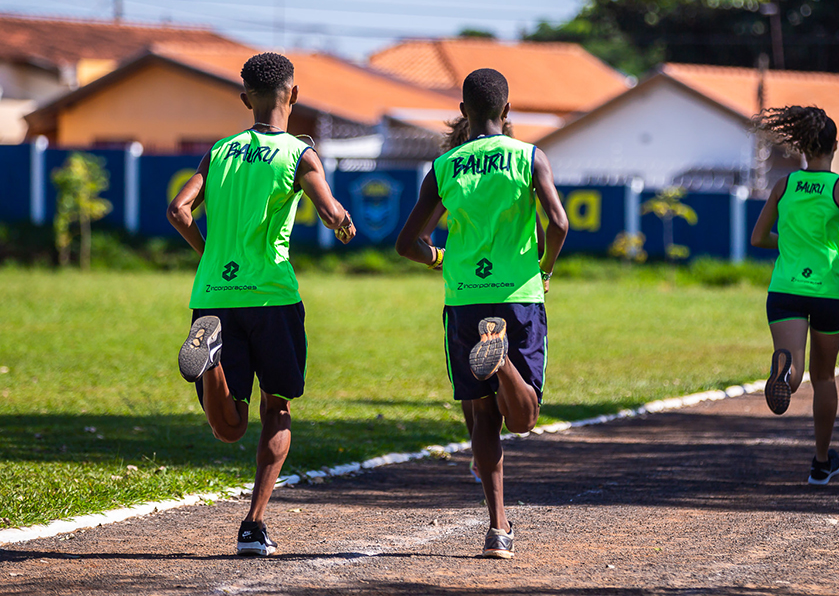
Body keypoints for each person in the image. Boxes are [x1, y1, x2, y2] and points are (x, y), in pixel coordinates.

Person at [167, 52, 356, 556]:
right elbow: (330, 208)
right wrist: (341, 221)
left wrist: (210, 257)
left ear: (245, 98)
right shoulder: (299, 154)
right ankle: (253, 525)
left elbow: (179, 209)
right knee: (278, 406)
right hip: (271, 296)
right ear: (292, 95)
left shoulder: (220, 150)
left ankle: (210, 365)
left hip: (213, 296)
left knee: (229, 427)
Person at [395, 68, 568, 558]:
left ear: (463, 112)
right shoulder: (529, 158)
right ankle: (505, 361)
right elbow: (559, 222)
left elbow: (408, 243)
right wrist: (545, 267)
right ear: (507, 112)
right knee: (523, 418)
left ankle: (498, 530)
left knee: (483, 421)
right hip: (518, 295)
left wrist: (442, 258)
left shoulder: (445, 165)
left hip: (465, 299)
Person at [750, 105, 839, 485]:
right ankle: (821, 462)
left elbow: (758, 237)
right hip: (827, 292)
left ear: (802, 145)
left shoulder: (784, 185)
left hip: (785, 289)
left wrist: (788, 244)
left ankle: (784, 371)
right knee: (824, 378)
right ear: (835, 145)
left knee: (797, 368)